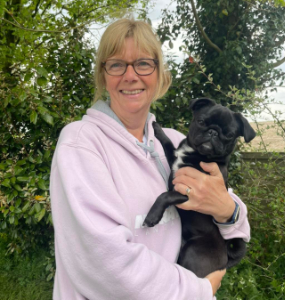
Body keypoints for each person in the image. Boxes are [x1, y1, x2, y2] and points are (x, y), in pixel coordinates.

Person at [50, 18, 250, 300]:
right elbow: (105, 264)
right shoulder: (81, 143)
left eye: (143, 63)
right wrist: (199, 290)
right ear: (103, 74)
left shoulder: (172, 137)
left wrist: (228, 210)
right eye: (117, 64)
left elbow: (234, 217)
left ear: (158, 73)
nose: (130, 76)